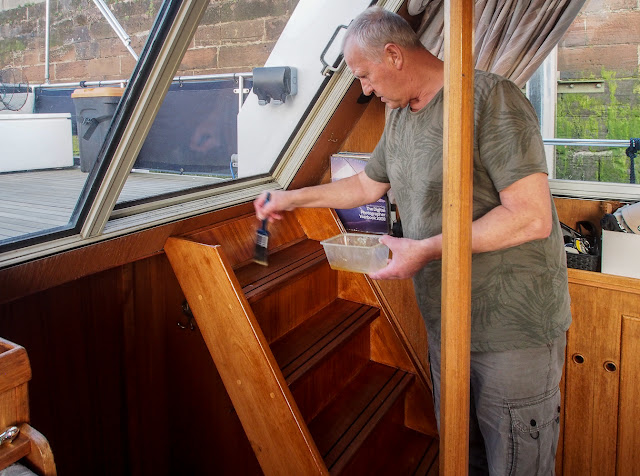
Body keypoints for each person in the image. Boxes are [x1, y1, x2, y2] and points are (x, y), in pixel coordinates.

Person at [254, 6, 571, 475]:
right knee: (465, 457)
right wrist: (292, 198)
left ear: (394, 55)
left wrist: (426, 248)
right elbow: (366, 186)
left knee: (516, 463)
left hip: (513, 328)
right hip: (447, 322)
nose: (364, 89)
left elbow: (530, 218)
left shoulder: (489, 97)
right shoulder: (400, 115)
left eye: (365, 75)